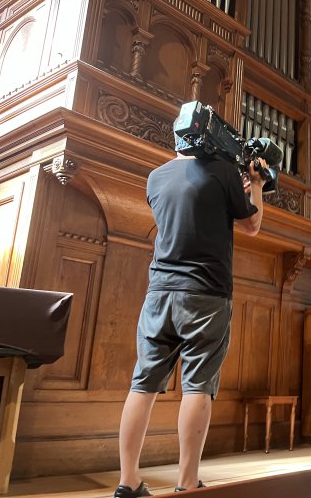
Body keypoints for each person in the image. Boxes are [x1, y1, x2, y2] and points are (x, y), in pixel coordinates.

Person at [114, 121, 266, 498]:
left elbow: (188, 208)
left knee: (142, 383)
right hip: (206, 294)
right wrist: (257, 185)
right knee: (198, 385)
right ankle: (188, 482)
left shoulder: (155, 177)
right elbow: (252, 224)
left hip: (160, 292)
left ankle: (127, 481)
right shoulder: (222, 171)